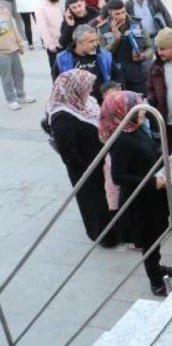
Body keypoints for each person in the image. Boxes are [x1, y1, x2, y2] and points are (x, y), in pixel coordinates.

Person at [100, 90, 172, 296]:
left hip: (151, 195)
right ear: (123, 112)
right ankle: (155, 281)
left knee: (156, 236)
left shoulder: (135, 129)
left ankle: (158, 267)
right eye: (136, 109)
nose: (142, 112)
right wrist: (151, 182)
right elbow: (119, 176)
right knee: (148, 240)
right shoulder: (122, 140)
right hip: (139, 202)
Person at [47, 70, 117, 245]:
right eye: (87, 86)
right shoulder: (62, 117)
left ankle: (115, 230)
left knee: (107, 198)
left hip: (99, 162)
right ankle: (104, 237)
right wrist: (88, 169)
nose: (91, 90)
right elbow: (68, 153)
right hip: (85, 169)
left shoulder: (84, 102)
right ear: (75, 88)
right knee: (95, 203)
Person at [98, 0, 152, 94]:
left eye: (123, 12)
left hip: (138, 74)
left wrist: (143, 55)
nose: (122, 16)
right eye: (117, 14)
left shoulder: (136, 23)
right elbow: (103, 56)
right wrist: (116, 39)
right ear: (110, 13)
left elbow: (151, 47)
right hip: (118, 77)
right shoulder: (103, 29)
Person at [54, 24, 117, 104]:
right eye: (91, 41)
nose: (95, 44)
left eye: (96, 40)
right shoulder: (62, 59)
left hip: (102, 104)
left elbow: (117, 76)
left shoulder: (104, 56)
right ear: (79, 42)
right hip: (76, 106)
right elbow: (57, 86)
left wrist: (112, 90)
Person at [0, 2, 33, 111]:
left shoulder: (4, 10)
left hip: (13, 48)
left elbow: (13, 28)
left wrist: (19, 43)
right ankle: (11, 100)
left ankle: (21, 95)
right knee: (6, 78)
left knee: (19, 74)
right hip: (2, 52)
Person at [36, 0, 64, 75]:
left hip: (64, 42)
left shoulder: (57, 3)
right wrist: (50, 44)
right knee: (56, 71)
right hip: (54, 46)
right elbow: (42, 28)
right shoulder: (41, 7)